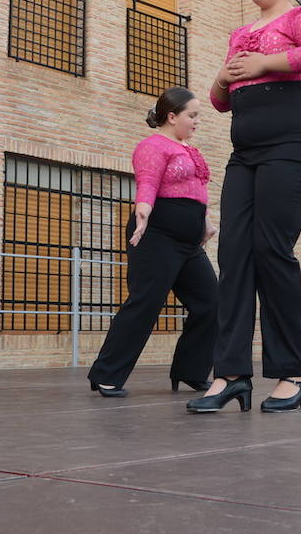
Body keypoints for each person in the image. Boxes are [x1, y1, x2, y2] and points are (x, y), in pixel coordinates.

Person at [186, 0, 301, 414]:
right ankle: (230, 374)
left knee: (272, 250)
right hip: (245, 155)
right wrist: (221, 75)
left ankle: (296, 372)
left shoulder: (300, 19)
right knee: (233, 254)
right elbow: (220, 102)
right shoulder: (239, 33)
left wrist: (263, 63)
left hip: (292, 151)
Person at [87, 87, 218, 397]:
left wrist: (207, 224)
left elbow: (197, 190)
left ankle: (191, 370)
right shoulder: (152, 145)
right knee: (146, 302)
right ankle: (106, 374)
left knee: (212, 302)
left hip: (189, 243)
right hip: (156, 234)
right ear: (172, 117)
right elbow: (147, 182)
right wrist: (142, 211)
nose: (196, 121)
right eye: (192, 116)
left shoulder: (188, 149)